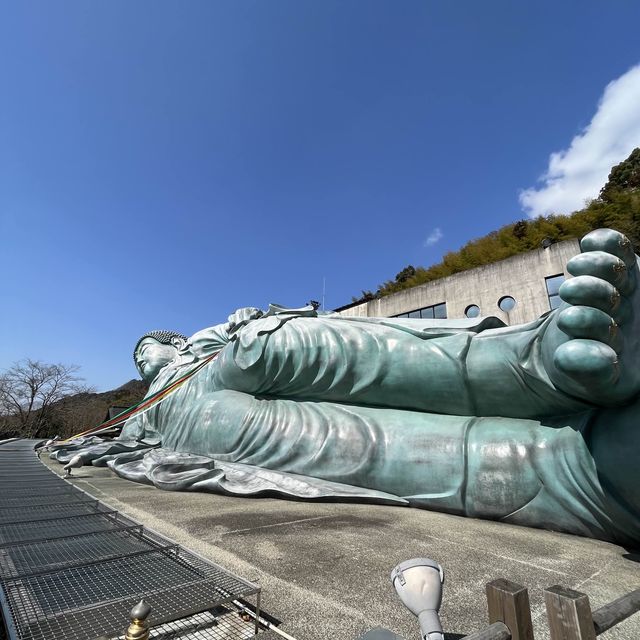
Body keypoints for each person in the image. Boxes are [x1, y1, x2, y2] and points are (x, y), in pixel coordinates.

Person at [70, 229, 640, 545]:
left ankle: (522, 365)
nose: (145, 358)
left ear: (170, 341)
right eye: (139, 357)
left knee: (276, 342)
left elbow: (265, 320)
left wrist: (243, 323)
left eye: (149, 348)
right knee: (323, 440)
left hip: (227, 361)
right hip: (192, 419)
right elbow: (120, 439)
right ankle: (567, 471)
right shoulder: (145, 402)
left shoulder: (205, 338)